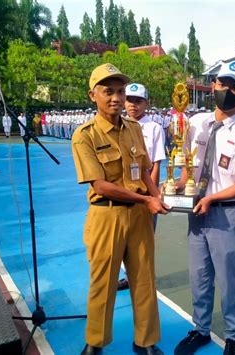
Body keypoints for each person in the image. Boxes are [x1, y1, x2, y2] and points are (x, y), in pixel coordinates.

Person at [71, 63, 168, 355]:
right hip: (107, 215)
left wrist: (157, 197)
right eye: (108, 91)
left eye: (120, 91)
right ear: (93, 95)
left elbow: (147, 169)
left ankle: (146, 341)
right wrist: (146, 200)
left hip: (139, 216)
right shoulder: (84, 135)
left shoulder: (134, 130)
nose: (116, 98)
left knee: (144, 279)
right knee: (104, 282)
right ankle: (96, 342)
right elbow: (100, 185)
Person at [174, 60, 235, 355]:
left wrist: (212, 198)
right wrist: (176, 185)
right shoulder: (196, 122)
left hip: (225, 215)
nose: (227, 90)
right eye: (223, 83)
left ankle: (233, 336)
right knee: (199, 275)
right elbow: (188, 164)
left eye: (234, 86)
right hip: (195, 213)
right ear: (213, 85)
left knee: (228, 278)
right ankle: (200, 329)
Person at [117, 83, 167, 292]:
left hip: (145, 191)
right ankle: (129, 276)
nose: (133, 105)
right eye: (129, 100)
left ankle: (144, 277)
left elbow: (155, 163)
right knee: (125, 238)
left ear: (146, 103)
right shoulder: (119, 124)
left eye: (138, 101)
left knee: (144, 238)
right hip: (125, 191)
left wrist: (151, 193)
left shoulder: (153, 128)